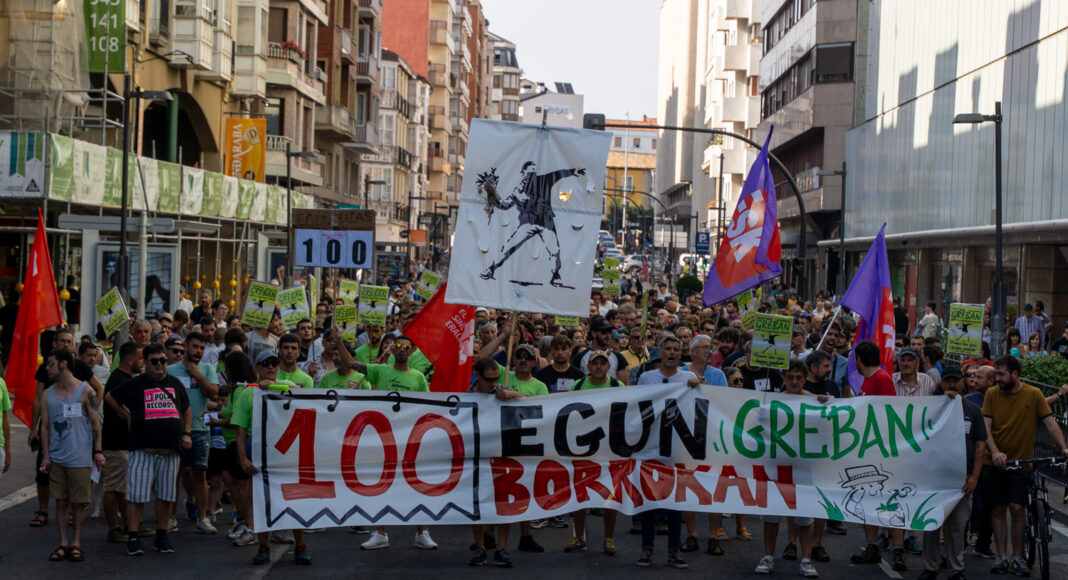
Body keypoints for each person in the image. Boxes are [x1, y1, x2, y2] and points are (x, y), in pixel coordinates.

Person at [348, 336, 437, 550]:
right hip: (384, 438)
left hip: (410, 439)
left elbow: (426, 408)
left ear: (413, 350)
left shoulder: (418, 377)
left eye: (406, 347)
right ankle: (379, 533)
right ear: (392, 349)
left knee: (417, 485)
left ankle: (422, 532)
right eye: (397, 346)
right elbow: (351, 364)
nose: (402, 350)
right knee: (382, 484)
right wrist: (338, 341)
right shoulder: (381, 371)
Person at [983, 355, 1068, 576]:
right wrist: (995, 452)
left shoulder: (1034, 394)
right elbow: (986, 428)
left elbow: (1050, 423)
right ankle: (1002, 556)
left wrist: (1064, 448)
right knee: (998, 509)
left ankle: (1018, 557)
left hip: (1022, 462)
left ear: (1015, 373)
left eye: (1001, 374)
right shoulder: (992, 394)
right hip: (995, 463)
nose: (997, 379)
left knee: (1018, 509)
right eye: (996, 374)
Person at [104, 343, 192, 556]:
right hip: (143, 451)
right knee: (136, 496)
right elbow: (109, 397)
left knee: (165, 496)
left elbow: (186, 409)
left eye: (163, 360)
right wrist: (126, 416)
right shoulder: (135, 384)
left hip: (170, 453)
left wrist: (186, 433)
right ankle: (133, 536)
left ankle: (162, 535)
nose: (160, 365)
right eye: (154, 361)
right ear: (146, 364)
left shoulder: (175, 384)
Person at [230, 350, 313, 565]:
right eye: (265, 363)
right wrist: (243, 459)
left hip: (286, 456)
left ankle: (301, 546)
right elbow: (240, 429)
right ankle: (263, 546)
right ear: (257, 368)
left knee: (295, 501)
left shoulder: (286, 384)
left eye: (274, 363)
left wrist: (277, 388)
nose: (270, 367)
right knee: (261, 503)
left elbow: (301, 395)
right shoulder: (247, 393)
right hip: (259, 456)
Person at [29, 327, 104, 529]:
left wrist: (91, 413)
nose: (65, 344)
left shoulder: (80, 366)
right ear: (54, 344)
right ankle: (43, 510)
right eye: (62, 341)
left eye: (69, 341)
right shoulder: (47, 367)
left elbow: (98, 388)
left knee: (74, 471)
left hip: (76, 432)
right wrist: (33, 428)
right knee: (43, 470)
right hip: (49, 427)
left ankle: (71, 511)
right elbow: (37, 399)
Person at [635, 335, 699, 568]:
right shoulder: (646, 378)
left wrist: (698, 387)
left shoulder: (689, 378)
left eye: (676, 349)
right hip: (651, 447)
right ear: (660, 353)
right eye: (668, 349)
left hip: (678, 449)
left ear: (681, 354)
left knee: (675, 504)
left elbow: (697, 409)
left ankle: (674, 551)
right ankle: (647, 549)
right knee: (649, 502)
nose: (672, 353)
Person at [918, 365, 986, 580]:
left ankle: (956, 569)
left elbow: (981, 446)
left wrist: (974, 476)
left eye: (956, 380)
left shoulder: (973, 411)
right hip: (934, 477)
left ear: (963, 382)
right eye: (948, 380)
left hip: (961, 479)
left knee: (957, 526)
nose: (952, 384)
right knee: (931, 524)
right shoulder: (930, 408)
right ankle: (931, 567)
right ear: (941, 384)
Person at [754, 361, 820, 578]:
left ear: (805, 378)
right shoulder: (771, 402)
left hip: (804, 467)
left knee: (804, 517)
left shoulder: (813, 401)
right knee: (771, 515)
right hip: (776, 467)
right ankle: (768, 556)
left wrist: (826, 405)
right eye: (790, 377)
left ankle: (807, 560)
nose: (794, 381)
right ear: (783, 378)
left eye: (798, 377)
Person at [39, 349, 105, 563]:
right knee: (60, 502)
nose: (46, 368)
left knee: (78, 504)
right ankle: (62, 544)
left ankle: (76, 543)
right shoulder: (47, 394)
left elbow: (96, 424)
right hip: (57, 459)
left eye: (50, 364)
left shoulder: (86, 391)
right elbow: (46, 427)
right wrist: (46, 456)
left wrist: (97, 451)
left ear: (63, 364)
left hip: (79, 458)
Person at [478, 160, 588, 286]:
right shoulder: (518, 191)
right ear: (523, 173)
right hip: (528, 224)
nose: (532, 174)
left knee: (555, 250)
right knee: (508, 247)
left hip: (546, 223)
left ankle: (556, 275)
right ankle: (490, 270)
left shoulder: (543, 181)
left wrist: (574, 171)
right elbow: (504, 205)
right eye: (529, 171)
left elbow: (558, 174)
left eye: (534, 171)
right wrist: (492, 194)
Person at [166, 331, 220, 534]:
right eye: (195, 346)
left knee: (200, 475)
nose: (198, 351)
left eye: (202, 348)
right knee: (174, 476)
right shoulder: (171, 370)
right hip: (175, 430)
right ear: (186, 346)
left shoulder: (207, 369)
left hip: (200, 429)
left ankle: (202, 518)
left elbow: (214, 393)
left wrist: (198, 376)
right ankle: (170, 518)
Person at [467, 358, 515, 567]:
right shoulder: (465, 395)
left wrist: (515, 396)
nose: (494, 384)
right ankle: (480, 548)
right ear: (477, 376)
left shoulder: (503, 391)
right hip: (475, 456)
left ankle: (502, 548)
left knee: (503, 503)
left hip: (500, 453)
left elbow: (536, 407)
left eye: (496, 379)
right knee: (476, 503)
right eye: (489, 380)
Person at [101, 342, 143, 543]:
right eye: (140, 359)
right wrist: (127, 418)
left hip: (123, 443)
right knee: (113, 487)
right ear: (130, 360)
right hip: (115, 443)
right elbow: (111, 400)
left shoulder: (125, 378)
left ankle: (129, 524)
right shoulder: (119, 380)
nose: (142, 363)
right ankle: (114, 528)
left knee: (122, 488)